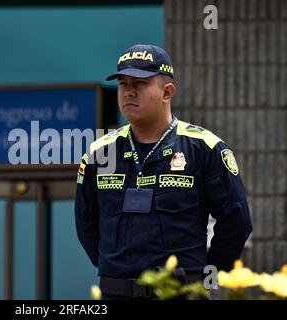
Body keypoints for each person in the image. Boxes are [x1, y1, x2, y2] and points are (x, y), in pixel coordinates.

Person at [75, 44, 253, 300]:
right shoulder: (99, 152)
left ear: (167, 92)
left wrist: (204, 275)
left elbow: (236, 222)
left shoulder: (205, 148)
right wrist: (114, 267)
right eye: (124, 84)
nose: (128, 92)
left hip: (180, 291)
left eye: (140, 84)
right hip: (116, 292)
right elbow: (85, 223)